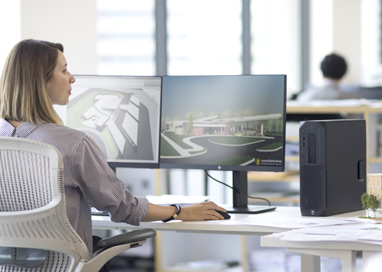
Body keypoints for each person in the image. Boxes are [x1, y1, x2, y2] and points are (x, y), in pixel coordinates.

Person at [0, 39, 228, 254]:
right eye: (64, 70)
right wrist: (180, 211)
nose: (72, 78)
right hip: (63, 264)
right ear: (41, 80)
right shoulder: (74, 144)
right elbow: (123, 208)